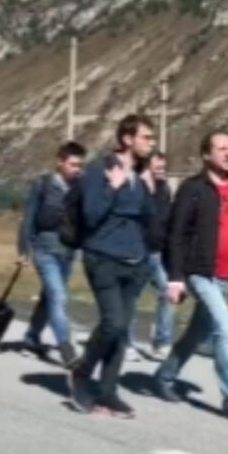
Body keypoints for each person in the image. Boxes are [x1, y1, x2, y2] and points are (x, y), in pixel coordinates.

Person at [153, 131, 228, 423]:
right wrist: (175, 276)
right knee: (226, 331)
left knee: (196, 334)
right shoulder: (193, 188)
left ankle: (164, 376)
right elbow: (175, 234)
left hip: (227, 275)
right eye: (221, 148)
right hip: (200, 273)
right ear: (205, 154)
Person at [68, 114, 157, 417]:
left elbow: (149, 218)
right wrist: (113, 187)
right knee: (113, 322)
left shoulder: (142, 174)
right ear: (127, 139)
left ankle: (108, 392)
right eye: (146, 137)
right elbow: (91, 214)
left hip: (135, 262)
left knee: (121, 331)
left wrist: (149, 191)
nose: (151, 143)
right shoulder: (99, 169)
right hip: (103, 257)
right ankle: (82, 373)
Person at [18, 141, 85, 365]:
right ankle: (66, 348)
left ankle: (31, 338)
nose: (77, 169)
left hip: (68, 251)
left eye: (80, 165)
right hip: (44, 249)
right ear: (60, 162)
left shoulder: (81, 188)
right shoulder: (43, 185)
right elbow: (29, 218)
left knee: (50, 296)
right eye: (73, 164)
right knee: (58, 296)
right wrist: (24, 249)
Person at [125, 150, 175, 361]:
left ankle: (162, 341)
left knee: (168, 293)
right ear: (147, 166)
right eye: (157, 166)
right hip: (137, 252)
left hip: (156, 253)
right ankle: (125, 344)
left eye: (164, 167)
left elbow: (167, 219)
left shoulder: (164, 189)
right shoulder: (137, 186)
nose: (162, 170)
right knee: (131, 299)